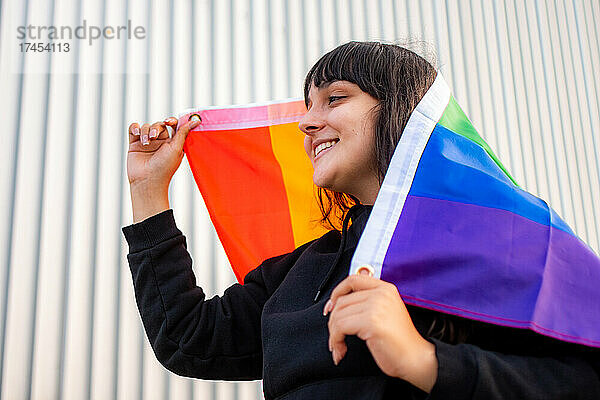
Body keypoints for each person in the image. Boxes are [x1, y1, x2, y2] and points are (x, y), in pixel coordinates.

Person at [122, 41, 600, 399]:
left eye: (335, 99)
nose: (307, 123)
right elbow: (187, 340)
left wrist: (425, 360)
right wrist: (148, 191)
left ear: (402, 113)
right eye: (308, 106)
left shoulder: (506, 235)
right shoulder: (301, 267)